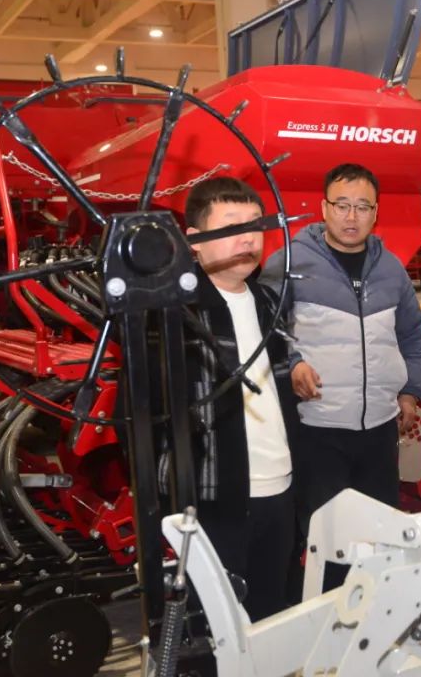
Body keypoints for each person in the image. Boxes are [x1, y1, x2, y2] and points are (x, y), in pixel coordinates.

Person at [262, 163, 421, 569]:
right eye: (342, 205)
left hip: (380, 432)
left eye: (362, 207)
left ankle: (377, 604)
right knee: (329, 543)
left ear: (375, 213)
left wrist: (410, 391)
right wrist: (293, 365)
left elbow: (413, 334)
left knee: (379, 537)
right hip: (318, 429)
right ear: (324, 208)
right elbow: (265, 331)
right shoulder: (289, 263)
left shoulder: (391, 269)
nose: (351, 216)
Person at [158, 177, 299, 621]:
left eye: (255, 224)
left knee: (271, 615)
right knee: (215, 626)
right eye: (232, 225)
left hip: (281, 487)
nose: (248, 237)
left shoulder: (268, 300)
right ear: (195, 241)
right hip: (214, 495)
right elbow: (145, 415)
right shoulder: (174, 313)